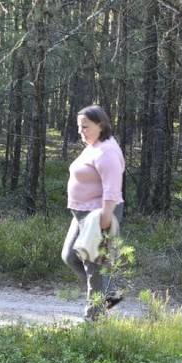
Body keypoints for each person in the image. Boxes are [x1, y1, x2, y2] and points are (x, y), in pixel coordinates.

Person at [60, 105, 125, 321]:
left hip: (98, 215)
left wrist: (105, 220)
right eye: (79, 126)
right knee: (70, 257)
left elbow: (112, 191)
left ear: (100, 125)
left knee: (93, 267)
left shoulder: (108, 152)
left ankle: (93, 319)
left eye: (85, 127)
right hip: (81, 214)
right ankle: (110, 292)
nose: (80, 131)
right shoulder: (93, 145)